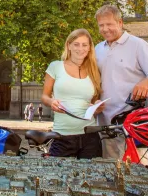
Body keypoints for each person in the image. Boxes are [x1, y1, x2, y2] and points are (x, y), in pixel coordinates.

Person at [94, 4, 148, 161]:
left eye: (109, 24)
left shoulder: (138, 45)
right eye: (101, 25)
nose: (105, 29)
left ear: (120, 23)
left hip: (132, 127)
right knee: (109, 171)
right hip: (105, 128)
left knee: (136, 172)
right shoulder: (98, 49)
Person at [41, 28, 104, 158]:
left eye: (84, 45)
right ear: (68, 46)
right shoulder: (55, 66)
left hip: (90, 136)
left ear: (89, 48)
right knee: (57, 171)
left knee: (91, 172)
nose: (80, 48)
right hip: (62, 136)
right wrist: (51, 102)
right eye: (76, 44)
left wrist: (97, 106)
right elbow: (44, 96)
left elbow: (93, 102)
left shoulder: (94, 70)